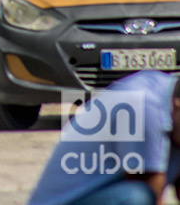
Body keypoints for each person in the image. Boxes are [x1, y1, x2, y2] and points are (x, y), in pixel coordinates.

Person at [28, 70, 180, 205]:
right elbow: (150, 187)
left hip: (103, 195)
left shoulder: (168, 98)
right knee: (137, 197)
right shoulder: (143, 105)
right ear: (178, 104)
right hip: (71, 200)